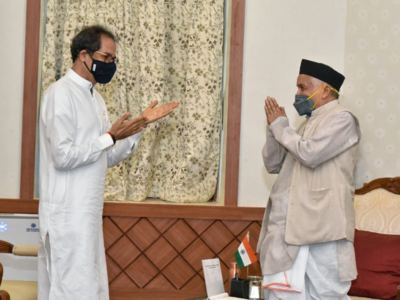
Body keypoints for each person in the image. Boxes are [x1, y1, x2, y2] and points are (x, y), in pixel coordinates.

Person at [38, 25, 179, 300]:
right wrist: (110, 136)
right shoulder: (60, 94)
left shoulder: (96, 98)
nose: (110, 65)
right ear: (83, 55)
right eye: (105, 58)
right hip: (66, 216)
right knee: (69, 290)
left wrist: (140, 126)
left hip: (87, 215)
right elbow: (63, 156)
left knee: (91, 289)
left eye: (113, 60)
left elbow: (108, 155)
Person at [257, 59, 361, 300]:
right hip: (288, 227)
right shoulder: (305, 125)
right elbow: (273, 165)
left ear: (325, 90)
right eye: (298, 87)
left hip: (322, 227)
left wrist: (282, 127)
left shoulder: (342, 119)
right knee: (281, 294)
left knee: (325, 294)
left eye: (303, 87)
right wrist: (273, 130)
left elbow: (310, 154)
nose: (298, 93)